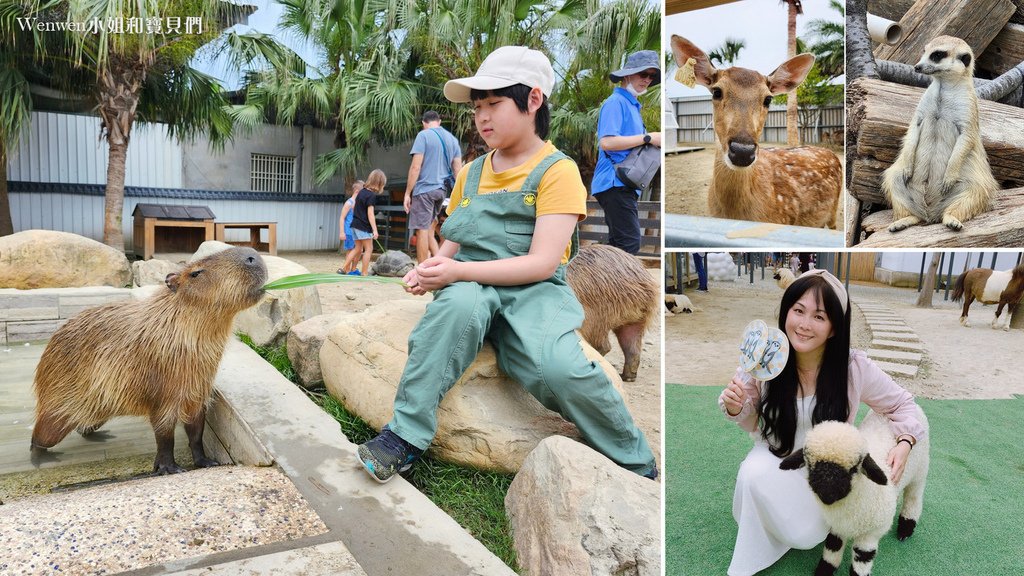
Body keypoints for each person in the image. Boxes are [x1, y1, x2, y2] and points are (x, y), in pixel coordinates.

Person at [356, 45, 657, 484]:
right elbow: (455, 239)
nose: (482, 117)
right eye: (478, 107)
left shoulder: (558, 171)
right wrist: (431, 269)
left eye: (494, 103)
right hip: (470, 286)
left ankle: (633, 457)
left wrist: (457, 271)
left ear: (533, 100)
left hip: (534, 291)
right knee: (454, 314)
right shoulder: (471, 173)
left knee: (559, 366)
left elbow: (540, 263)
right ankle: (405, 435)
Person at [718, 269, 926, 576]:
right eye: (798, 311)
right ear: (785, 312)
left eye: (819, 316)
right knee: (752, 474)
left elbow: (903, 404)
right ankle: (759, 539)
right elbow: (750, 422)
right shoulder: (764, 358)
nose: (803, 324)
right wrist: (737, 407)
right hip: (776, 456)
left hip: (827, 470)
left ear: (833, 328)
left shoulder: (853, 368)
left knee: (806, 537)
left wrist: (906, 441)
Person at [591, 50, 662, 255]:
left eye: (651, 76)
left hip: (623, 183)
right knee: (629, 243)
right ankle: (613, 286)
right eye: (643, 74)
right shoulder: (616, 103)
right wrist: (649, 138)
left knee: (618, 244)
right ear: (627, 75)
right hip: (615, 182)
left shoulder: (632, 105)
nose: (647, 80)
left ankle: (603, 286)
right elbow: (606, 142)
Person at [405, 110, 463, 264]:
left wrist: (407, 193)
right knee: (430, 229)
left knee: (422, 231)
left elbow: (416, 167)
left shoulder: (423, 135)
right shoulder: (452, 139)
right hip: (442, 192)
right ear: (439, 121)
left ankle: (422, 270)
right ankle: (437, 264)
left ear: (424, 123)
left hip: (424, 190)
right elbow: (458, 170)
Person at [350, 170, 387, 276]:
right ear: (379, 183)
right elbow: (370, 214)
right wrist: (375, 230)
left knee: (357, 248)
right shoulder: (371, 196)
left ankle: (345, 268)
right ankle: (364, 272)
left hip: (355, 224)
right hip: (363, 226)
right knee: (369, 249)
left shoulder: (361, 192)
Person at [338, 179, 364, 275]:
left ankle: (353, 268)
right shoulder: (349, 203)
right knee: (350, 249)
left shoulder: (358, 204)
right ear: (357, 191)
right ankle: (347, 269)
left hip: (357, 230)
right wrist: (342, 232)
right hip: (349, 230)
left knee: (360, 250)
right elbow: (342, 217)